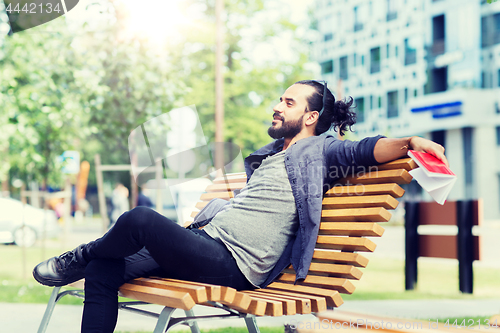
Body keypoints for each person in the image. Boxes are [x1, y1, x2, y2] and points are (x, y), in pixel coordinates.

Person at [33, 80, 448, 333]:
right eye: (280, 100)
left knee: (139, 219)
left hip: (235, 264)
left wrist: (411, 142)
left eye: (288, 102)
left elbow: (365, 148)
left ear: (310, 117)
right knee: (104, 269)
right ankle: (88, 260)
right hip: (205, 244)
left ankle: (79, 255)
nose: (277, 105)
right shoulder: (269, 156)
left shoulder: (322, 153)